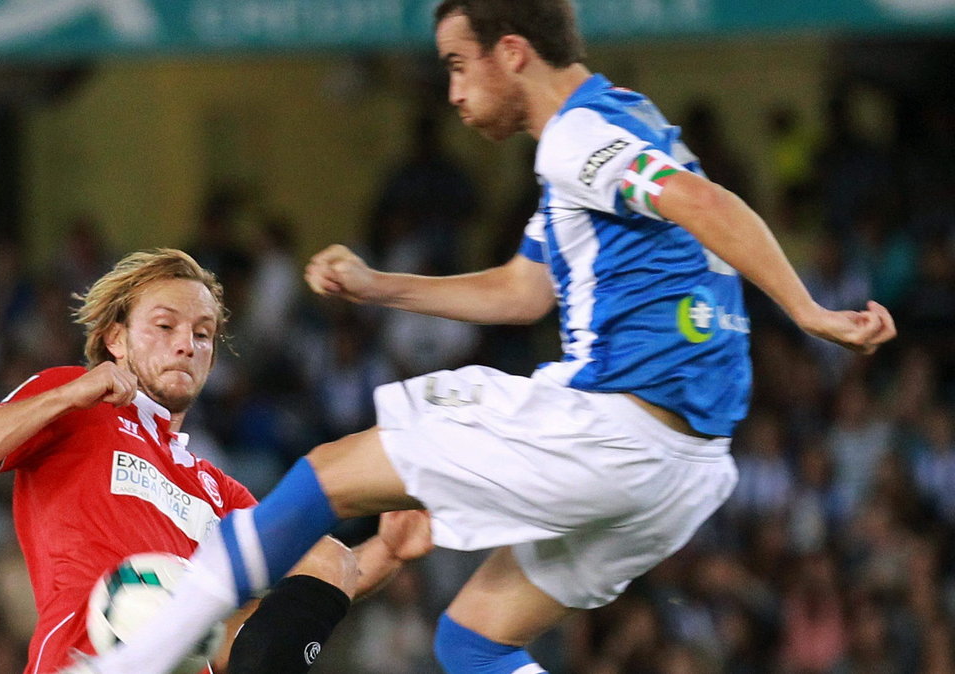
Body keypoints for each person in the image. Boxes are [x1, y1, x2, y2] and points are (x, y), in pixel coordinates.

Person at [74, 2, 897, 673]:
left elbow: (708, 205)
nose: (454, 92)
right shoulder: (618, 129)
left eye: (458, 65)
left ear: (511, 52)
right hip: (685, 469)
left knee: (327, 477)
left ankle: (137, 659)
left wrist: (808, 311)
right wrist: (378, 286)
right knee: (473, 643)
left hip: (620, 431)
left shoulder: (581, 135)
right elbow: (523, 289)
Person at [0, 249, 432, 674]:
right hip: (82, 660)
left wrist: (388, 550)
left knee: (325, 555)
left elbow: (320, 587)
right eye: (165, 326)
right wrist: (70, 394)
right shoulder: (76, 406)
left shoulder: (215, 487)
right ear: (115, 339)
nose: (186, 344)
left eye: (203, 334)